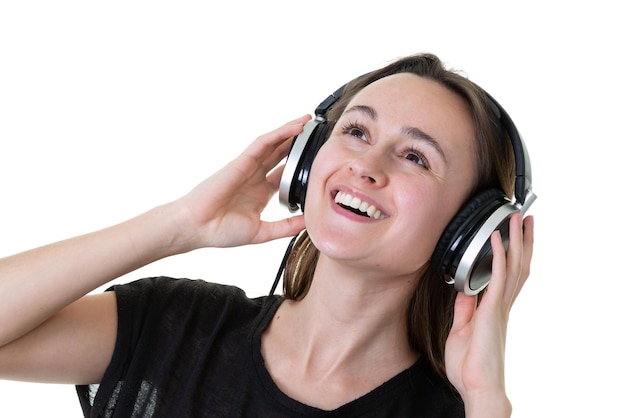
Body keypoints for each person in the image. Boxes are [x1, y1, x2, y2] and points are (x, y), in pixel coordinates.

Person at [0, 52, 535, 417]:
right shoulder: (177, 326)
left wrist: (487, 400)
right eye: (355, 131)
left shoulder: (456, 409)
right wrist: (179, 225)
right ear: (308, 160)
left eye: (416, 156)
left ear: (471, 232)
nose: (366, 165)